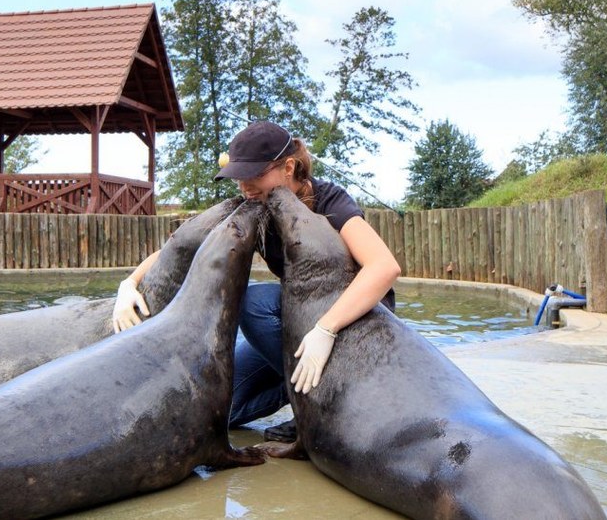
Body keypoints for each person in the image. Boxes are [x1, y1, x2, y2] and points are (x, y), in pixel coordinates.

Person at [112, 121, 400, 441]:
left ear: (288, 167)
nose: (246, 186)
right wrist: (130, 283)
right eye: (240, 178)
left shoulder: (330, 201)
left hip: (351, 322)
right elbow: (184, 246)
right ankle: (300, 391)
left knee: (254, 305)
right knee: (225, 409)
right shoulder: (255, 207)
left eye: (256, 175)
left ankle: (324, 406)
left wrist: (326, 328)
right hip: (301, 326)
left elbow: (384, 268)